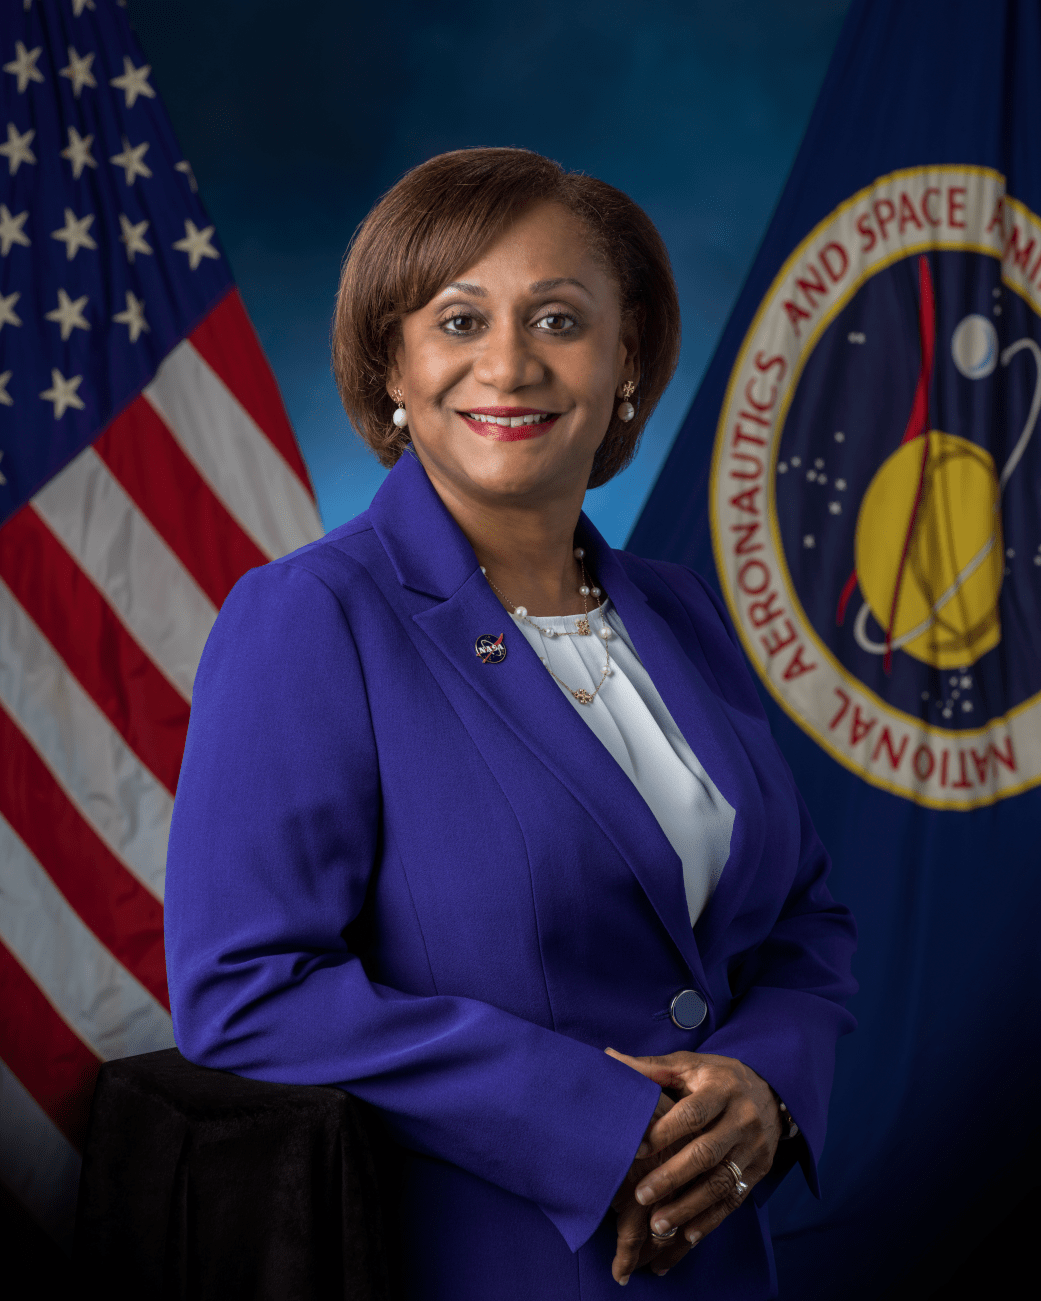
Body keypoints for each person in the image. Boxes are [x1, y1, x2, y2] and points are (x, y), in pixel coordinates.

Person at [164, 147, 857, 1300]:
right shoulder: (310, 618)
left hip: (720, 1259)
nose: (510, 362)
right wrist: (599, 1120)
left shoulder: (678, 609)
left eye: (558, 316)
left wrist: (765, 1086)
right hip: (492, 1256)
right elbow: (244, 987)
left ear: (625, 356)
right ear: (393, 361)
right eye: (458, 319)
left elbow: (801, 917)